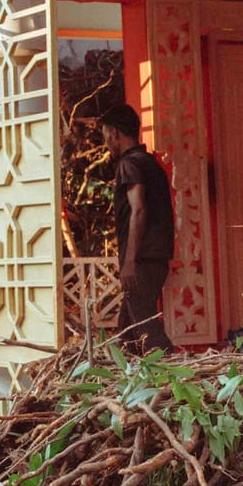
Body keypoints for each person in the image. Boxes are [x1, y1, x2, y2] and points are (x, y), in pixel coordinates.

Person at [101, 104, 176, 353]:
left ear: (114, 133)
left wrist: (130, 261)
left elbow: (139, 209)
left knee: (147, 331)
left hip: (141, 260)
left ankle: (175, 377)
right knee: (128, 330)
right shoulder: (150, 164)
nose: (107, 144)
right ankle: (132, 385)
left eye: (105, 136)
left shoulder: (129, 165)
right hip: (156, 256)